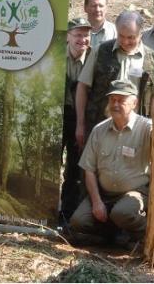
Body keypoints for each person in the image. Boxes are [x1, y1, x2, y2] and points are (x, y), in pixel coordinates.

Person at [70, 80, 152, 246]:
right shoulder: (99, 130)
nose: (115, 104)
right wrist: (97, 201)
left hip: (135, 193)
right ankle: (116, 236)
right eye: (112, 99)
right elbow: (89, 169)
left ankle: (149, 237)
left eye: (121, 100)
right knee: (78, 221)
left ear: (134, 103)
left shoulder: (147, 128)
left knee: (122, 213)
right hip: (105, 194)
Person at [75, 10, 154, 149]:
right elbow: (82, 86)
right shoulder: (100, 51)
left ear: (141, 33)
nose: (126, 42)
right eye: (121, 36)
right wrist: (80, 124)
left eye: (131, 37)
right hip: (100, 126)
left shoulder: (153, 59)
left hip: (136, 131)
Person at [60, 17, 92, 226]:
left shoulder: (94, 58)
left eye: (86, 35)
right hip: (57, 117)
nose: (82, 39)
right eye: (78, 35)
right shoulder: (54, 56)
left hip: (81, 118)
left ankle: (67, 214)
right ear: (68, 37)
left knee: (75, 167)